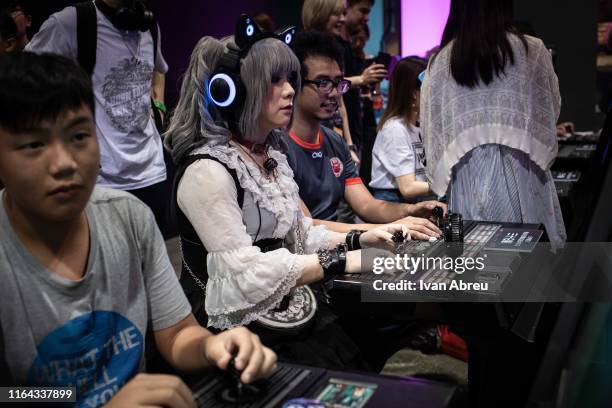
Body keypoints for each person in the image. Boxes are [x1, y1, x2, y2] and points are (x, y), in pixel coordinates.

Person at [0, 52, 276, 407]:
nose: (64, 163)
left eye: (79, 136)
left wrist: (211, 346)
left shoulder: (130, 217)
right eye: (34, 145)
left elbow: (177, 334)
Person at [164, 17, 406, 370]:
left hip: (280, 301)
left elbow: (298, 233)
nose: (290, 90)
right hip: (228, 327)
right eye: (273, 81)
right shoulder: (207, 172)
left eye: (289, 79)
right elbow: (245, 274)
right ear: (232, 90)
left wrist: (363, 239)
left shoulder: (270, 156)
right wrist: (339, 261)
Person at [421, 0, 566, 250]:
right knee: (531, 261)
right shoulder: (532, 49)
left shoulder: (441, 60)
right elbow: (550, 107)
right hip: (524, 169)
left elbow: (431, 126)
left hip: (469, 175)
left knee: (482, 263)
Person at [25, 0, 171, 236]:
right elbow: (25, 76)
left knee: (148, 264)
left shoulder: (149, 24)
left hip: (152, 173)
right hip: (103, 180)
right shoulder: (72, 22)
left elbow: (158, 70)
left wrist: (159, 106)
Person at [286, 30, 444, 239]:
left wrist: (410, 211)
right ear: (295, 83)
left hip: (336, 247)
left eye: (337, 83)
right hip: (302, 257)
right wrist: (382, 228)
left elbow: (367, 205)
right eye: (322, 83)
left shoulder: (334, 141)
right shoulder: (278, 147)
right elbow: (305, 226)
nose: (334, 93)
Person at [302, 0, 386, 158]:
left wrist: (349, 143)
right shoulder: (304, 52)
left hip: (337, 133)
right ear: (321, 14)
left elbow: (340, 104)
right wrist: (361, 79)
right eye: (337, 14)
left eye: (344, 13)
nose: (343, 19)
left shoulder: (337, 47)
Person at [370, 57, 433, 203]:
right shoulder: (395, 129)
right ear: (413, 93)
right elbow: (408, 188)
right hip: (393, 203)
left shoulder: (416, 126)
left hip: (411, 201)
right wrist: (447, 186)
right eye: (429, 89)